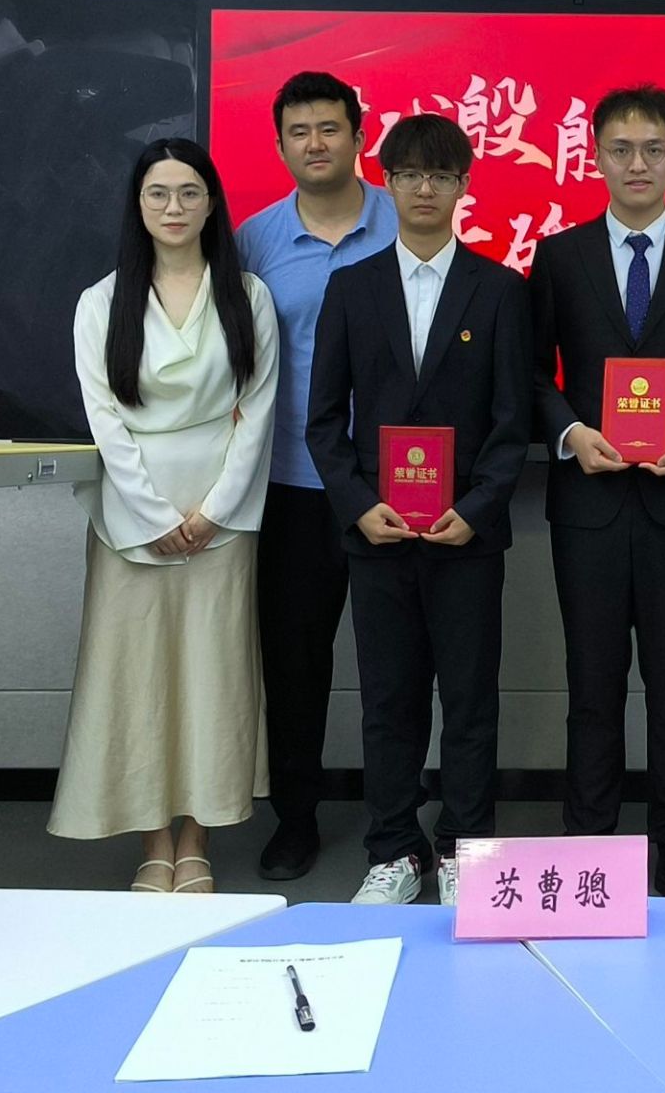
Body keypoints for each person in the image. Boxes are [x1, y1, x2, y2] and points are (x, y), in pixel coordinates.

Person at [307, 113, 531, 906]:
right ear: (389, 183)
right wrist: (358, 505)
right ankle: (394, 851)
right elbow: (323, 421)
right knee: (389, 702)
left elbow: (513, 422)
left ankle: (466, 852)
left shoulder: (501, 290)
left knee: (469, 702)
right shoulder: (351, 287)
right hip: (379, 537)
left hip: (466, 537)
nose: (425, 188)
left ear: (464, 185)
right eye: (409, 175)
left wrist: (477, 505)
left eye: (441, 175)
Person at [529, 85, 665, 899]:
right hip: (586, 506)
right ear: (594, 156)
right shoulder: (560, 257)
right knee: (591, 686)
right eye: (620, 150)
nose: (637, 164)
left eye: (653, 149)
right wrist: (568, 433)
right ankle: (590, 845)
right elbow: (531, 374)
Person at [51, 138, 278, 895]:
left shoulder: (247, 295)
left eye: (188, 192)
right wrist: (155, 516)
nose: (173, 207)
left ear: (212, 203)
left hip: (223, 521)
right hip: (129, 520)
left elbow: (258, 413)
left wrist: (212, 512)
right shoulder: (100, 301)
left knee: (213, 679)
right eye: (158, 193)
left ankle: (197, 837)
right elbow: (105, 420)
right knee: (137, 681)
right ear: (138, 204)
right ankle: (153, 839)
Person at [235, 71, 397, 882]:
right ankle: (295, 819)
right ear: (280, 146)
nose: (315, 144)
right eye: (299, 132)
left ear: (359, 136)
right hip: (293, 486)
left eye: (329, 128)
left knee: (396, 664)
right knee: (294, 665)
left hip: (400, 487)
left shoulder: (406, 219)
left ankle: (396, 822)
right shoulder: (254, 240)